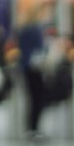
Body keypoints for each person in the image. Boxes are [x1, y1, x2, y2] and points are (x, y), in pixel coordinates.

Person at [16, 8, 48, 139]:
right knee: (37, 98)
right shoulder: (35, 30)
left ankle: (30, 127)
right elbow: (41, 48)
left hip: (25, 67)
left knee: (31, 98)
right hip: (34, 68)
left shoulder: (23, 29)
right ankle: (34, 128)